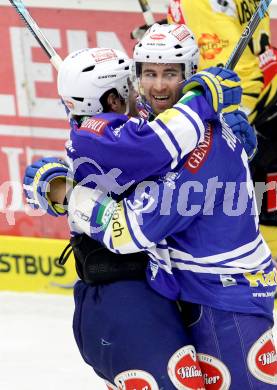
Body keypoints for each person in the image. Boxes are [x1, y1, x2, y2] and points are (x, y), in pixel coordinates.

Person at [66, 23, 277, 389]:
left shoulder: (195, 154)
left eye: (171, 73)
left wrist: (76, 201)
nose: (160, 85)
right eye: (149, 73)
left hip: (224, 299)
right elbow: (127, 145)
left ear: (191, 74)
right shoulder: (165, 123)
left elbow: (126, 231)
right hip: (194, 291)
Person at [24, 35, 244, 388]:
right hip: (118, 297)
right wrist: (201, 100)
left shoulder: (118, 124)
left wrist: (228, 131)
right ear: (110, 98)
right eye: (129, 85)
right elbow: (155, 144)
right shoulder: (102, 134)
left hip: (152, 292)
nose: (139, 92)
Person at [166, 0, 277, 370]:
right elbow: (223, 45)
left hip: (249, 127)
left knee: (246, 228)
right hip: (272, 114)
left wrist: (229, 120)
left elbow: (242, 68)